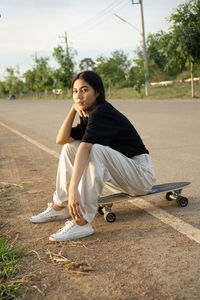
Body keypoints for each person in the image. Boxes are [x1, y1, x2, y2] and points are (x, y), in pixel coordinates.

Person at [30, 70, 156, 242]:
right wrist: (73, 110)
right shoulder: (88, 116)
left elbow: (86, 147)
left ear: (97, 92)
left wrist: (74, 188)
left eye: (84, 90)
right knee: (70, 147)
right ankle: (60, 206)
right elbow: (62, 139)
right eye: (75, 91)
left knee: (94, 149)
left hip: (141, 175)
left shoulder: (102, 112)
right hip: (124, 175)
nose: (79, 95)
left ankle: (83, 222)